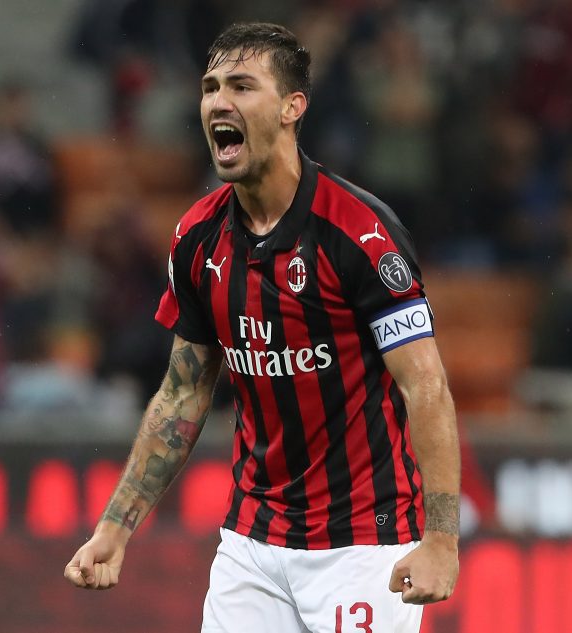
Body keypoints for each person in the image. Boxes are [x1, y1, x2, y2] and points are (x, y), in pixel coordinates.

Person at [64, 22, 460, 632]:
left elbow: (424, 386)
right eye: (210, 86)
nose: (219, 101)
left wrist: (441, 540)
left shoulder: (359, 233)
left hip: (362, 544)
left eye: (242, 86)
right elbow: (183, 393)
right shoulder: (196, 239)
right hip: (252, 543)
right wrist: (115, 528)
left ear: (292, 108)